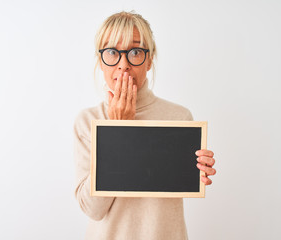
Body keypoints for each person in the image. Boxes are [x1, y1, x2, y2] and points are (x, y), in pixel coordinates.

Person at [73, 10, 217, 240]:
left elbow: (183, 182)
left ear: (149, 60)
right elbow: (93, 209)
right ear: (101, 61)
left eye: (136, 52)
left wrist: (199, 170)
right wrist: (117, 130)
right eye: (112, 52)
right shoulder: (87, 121)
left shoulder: (179, 118)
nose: (123, 64)